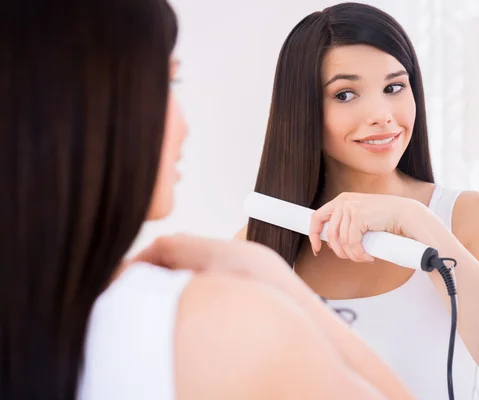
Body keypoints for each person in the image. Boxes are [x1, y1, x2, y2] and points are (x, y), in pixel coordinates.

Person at [0, 1, 415, 399]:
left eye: (395, 86)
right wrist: (280, 284)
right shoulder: (215, 326)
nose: (184, 123)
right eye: (168, 83)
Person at [237, 2, 479, 399]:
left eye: (394, 88)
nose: (382, 114)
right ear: (304, 111)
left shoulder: (472, 218)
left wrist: (415, 220)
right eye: (345, 94)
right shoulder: (264, 241)